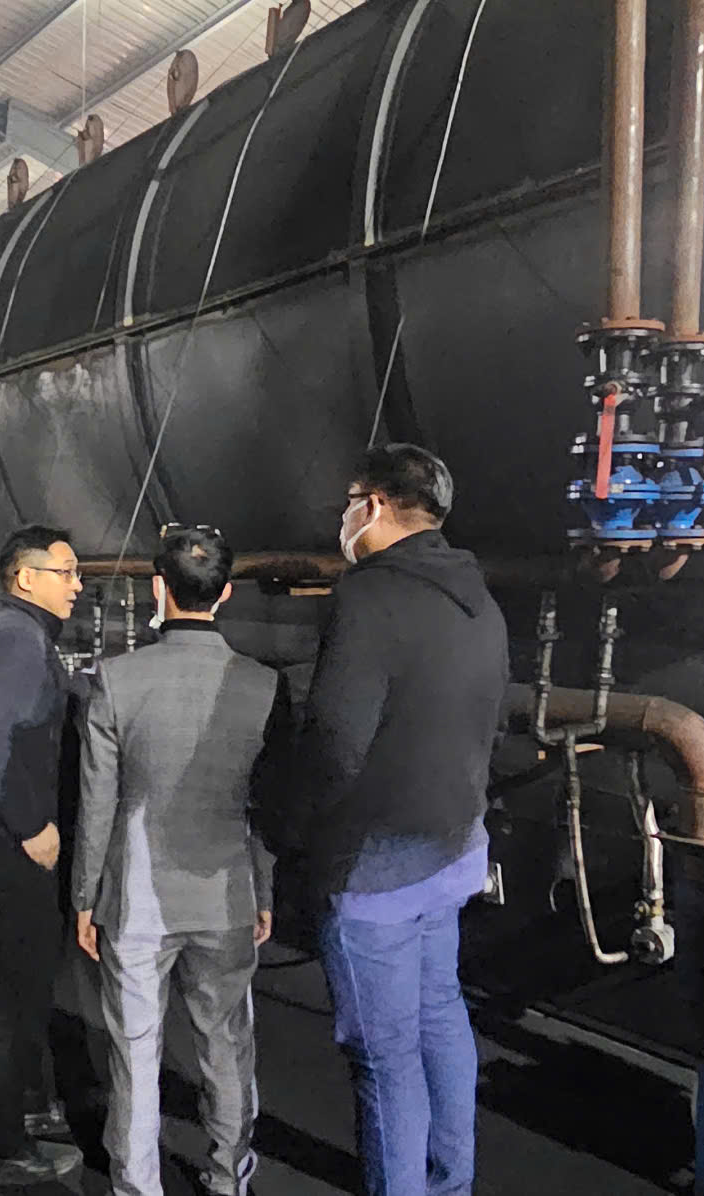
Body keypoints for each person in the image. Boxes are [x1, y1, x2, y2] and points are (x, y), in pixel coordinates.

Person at [276, 445, 506, 1196]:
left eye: (351, 500)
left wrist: (292, 833)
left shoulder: (368, 599)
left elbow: (336, 742)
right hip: (454, 847)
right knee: (442, 1011)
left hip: (376, 869)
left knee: (385, 1056)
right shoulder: (479, 598)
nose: (345, 516)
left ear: (373, 505)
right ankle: (450, 1182)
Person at [72, 526, 282, 1196]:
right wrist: (265, 890)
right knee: (226, 1045)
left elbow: (96, 803)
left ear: (157, 588)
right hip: (226, 896)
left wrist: (85, 897)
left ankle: (138, 1187)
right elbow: (265, 807)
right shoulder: (263, 687)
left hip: (135, 900)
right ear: (224, 593)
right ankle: (229, 1178)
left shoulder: (116, 679)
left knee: (135, 1052)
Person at [0, 524, 88, 1186]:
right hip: (22, 848)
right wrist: (32, 823)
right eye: (65, 572)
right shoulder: (18, 640)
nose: (77, 584)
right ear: (25, 577)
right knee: (17, 997)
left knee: (30, 989)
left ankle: (29, 1110)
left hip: (18, 842)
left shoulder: (21, 635)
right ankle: (2, 1144)